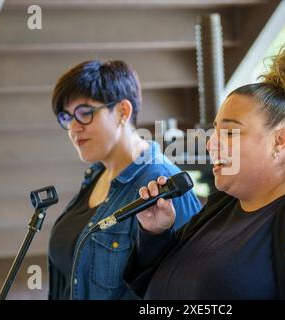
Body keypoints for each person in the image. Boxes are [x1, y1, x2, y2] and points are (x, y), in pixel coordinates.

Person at [123, 47, 285, 299]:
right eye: (215, 131)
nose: (210, 143)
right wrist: (156, 235)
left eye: (229, 132)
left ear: (279, 142)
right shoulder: (221, 208)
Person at [47, 60, 202, 300]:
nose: (74, 128)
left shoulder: (163, 185)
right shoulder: (97, 174)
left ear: (122, 111)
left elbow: (187, 290)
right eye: (67, 117)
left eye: (85, 113)